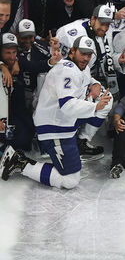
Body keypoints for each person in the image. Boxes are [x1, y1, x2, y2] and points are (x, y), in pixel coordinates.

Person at [0, 36, 112, 190]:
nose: (86, 58)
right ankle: (19, 162)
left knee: (108, 99)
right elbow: (67, 105)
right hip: (54, 127)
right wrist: (94, 107)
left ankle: (82, 141)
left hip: (66, 122)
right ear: (73, 51)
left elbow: (87, 78)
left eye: (89, 54)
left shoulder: (81, 66)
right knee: (70, 181)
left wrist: (96, 84)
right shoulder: (66, 70)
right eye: (82, 53)